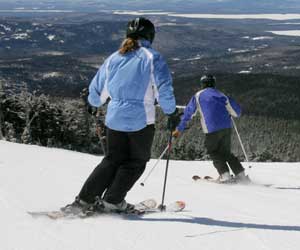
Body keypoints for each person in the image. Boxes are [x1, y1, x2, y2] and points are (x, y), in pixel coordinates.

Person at [63, 17, 180, 214]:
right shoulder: (153, 58)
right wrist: (172, 112)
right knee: (135, 162)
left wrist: (92, 104)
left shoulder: (114, 58)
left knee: (111, 160)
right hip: (140, 121)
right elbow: (164, 90)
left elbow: (98, 89)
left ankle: (85, 199)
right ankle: (112, 201)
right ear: (150, 36)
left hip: (114, 119)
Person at [173, 75, 249, 183]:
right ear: (214, 83)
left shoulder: (198, 96)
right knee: (226, 152)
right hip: (226, 128)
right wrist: (229, 113)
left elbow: (188, 113)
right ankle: (241, 175)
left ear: (202, 84)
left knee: (213, 151)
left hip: (211, 129)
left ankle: (225, 175)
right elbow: (237, 112)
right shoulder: (222, 95)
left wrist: (179, 128)